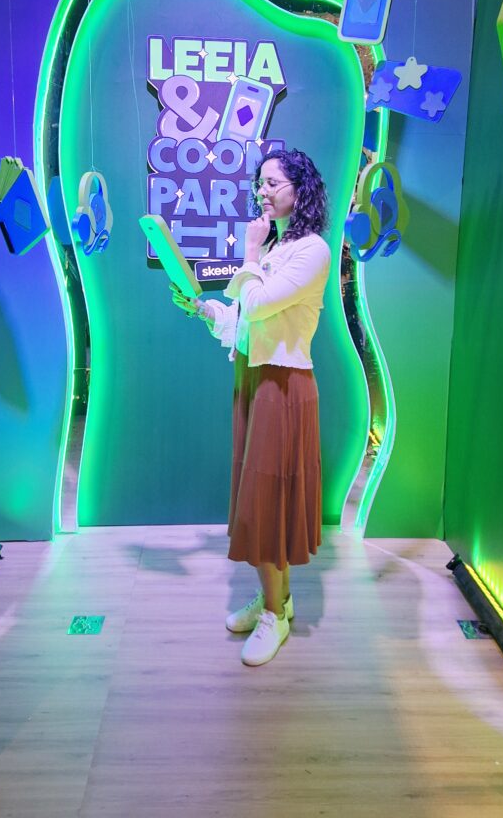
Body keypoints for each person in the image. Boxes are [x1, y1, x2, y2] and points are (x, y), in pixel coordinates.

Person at [171, 148, 331, 666]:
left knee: (267, 502)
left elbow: (259, 303)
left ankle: (275, 614)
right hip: (254, 378)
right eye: (259, 183)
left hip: (283, 387)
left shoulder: (312, 250)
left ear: (300, 190)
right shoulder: (279, 248)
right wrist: (203, 308)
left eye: (272, 183)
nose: (262, 192)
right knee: (258, 498)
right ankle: (274, 599)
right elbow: (245, 320)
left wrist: (250, 252)